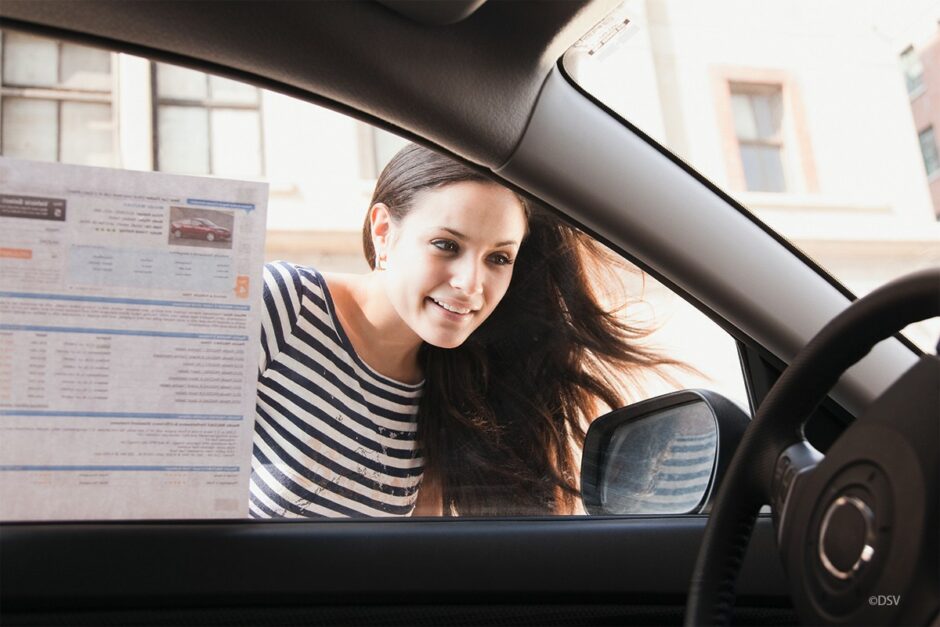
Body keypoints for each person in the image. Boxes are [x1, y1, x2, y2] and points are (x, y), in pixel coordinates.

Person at [249, 143, 679, 518]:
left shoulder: (451, 389)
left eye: (499, 258)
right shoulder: (282, 305)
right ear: (384, 232)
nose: (471, 284)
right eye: (446, 245)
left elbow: (413, 557)